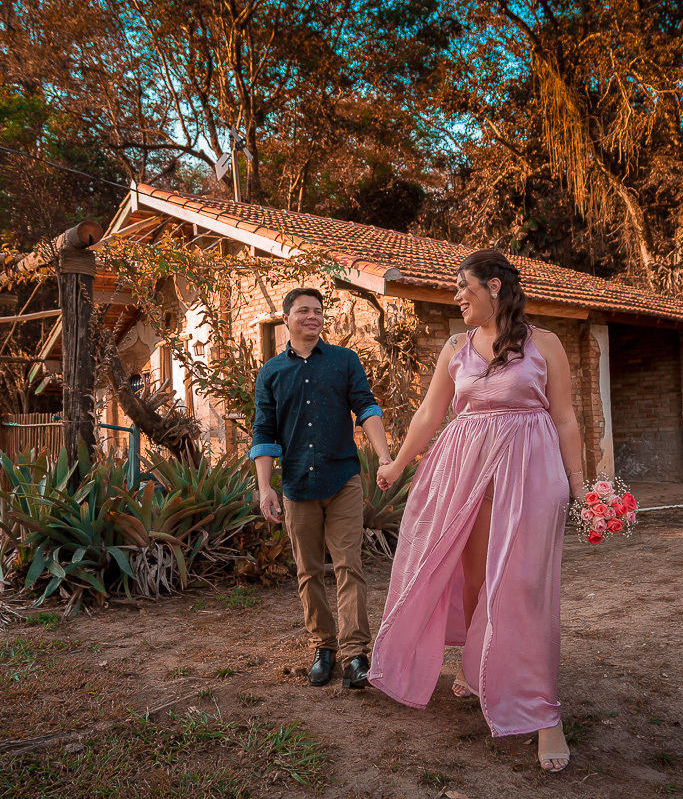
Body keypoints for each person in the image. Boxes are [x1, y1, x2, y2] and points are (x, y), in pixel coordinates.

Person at [368, 249, 584, 772]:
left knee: (523, 586)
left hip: (530, 473)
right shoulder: (454, 348)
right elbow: (429, 412)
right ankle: (474, 662)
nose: (457, 297)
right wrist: (396, 463)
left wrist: (581, 484)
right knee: (472, 579)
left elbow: (566, 418)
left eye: (463, 287)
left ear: (494, 286)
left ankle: (543, 713)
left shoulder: (545, 344)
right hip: (462, 474)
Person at [250, 287, 393, 689]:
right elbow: (264, 430)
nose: (312, 317)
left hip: (343, 478)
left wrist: (384, 456)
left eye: (317, 311)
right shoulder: (272, 372)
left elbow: (366, 406)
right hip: (296, 483)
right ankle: (323, 647)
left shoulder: (344, 360)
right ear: (287, 318)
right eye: (303, 311)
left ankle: (355, 654)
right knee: (308, 570)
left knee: (349, 565)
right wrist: (265, 487)